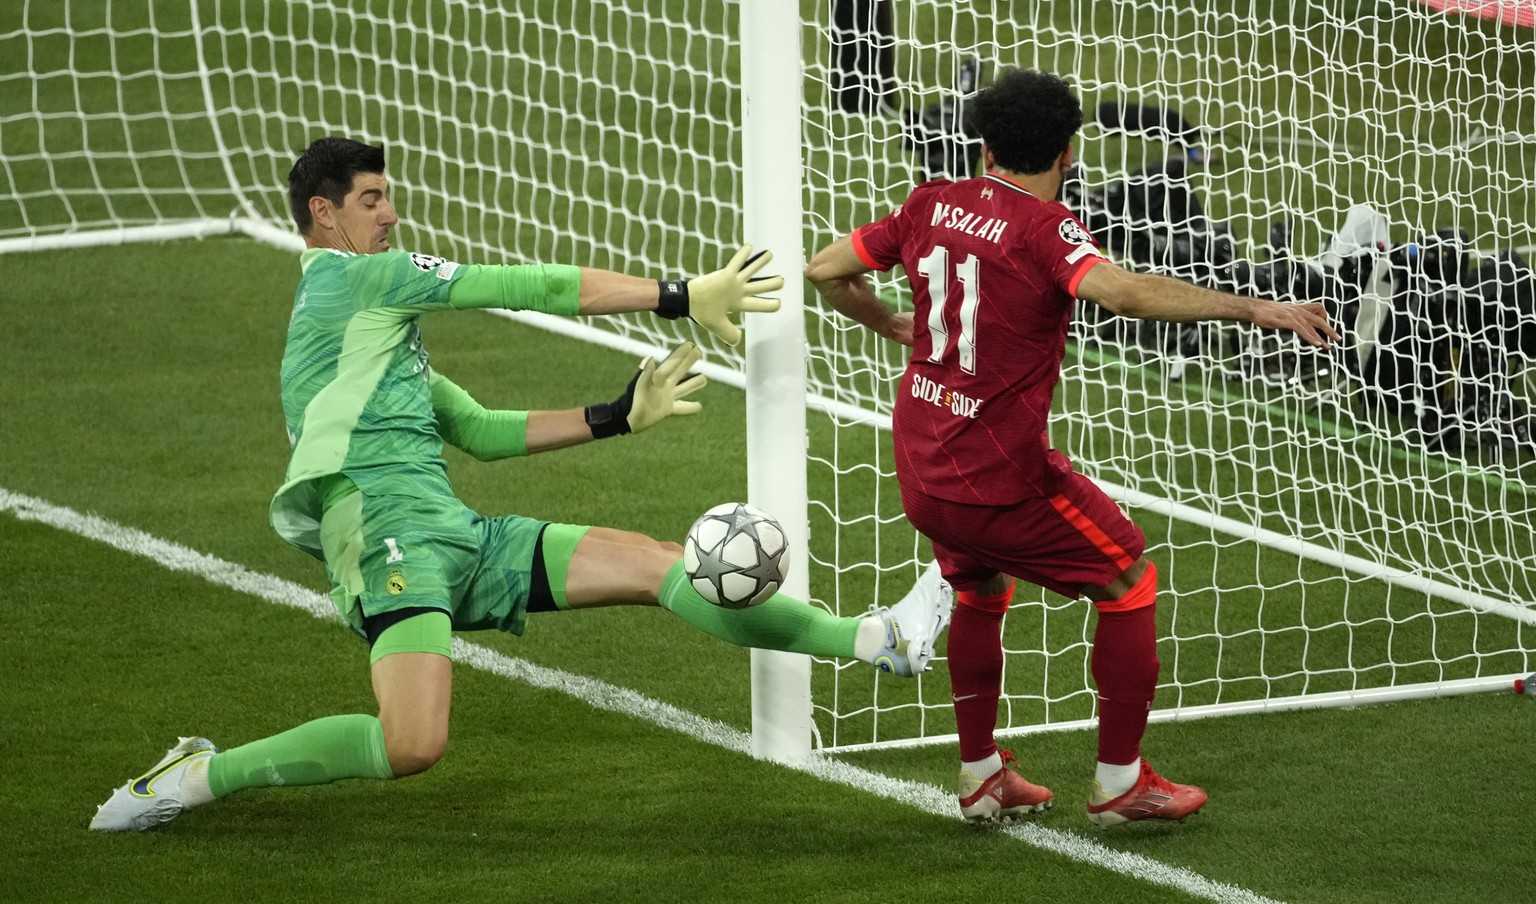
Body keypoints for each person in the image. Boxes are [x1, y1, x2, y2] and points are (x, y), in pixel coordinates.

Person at [90, 137, 952, 832]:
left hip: (457, 535)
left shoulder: (370, 348)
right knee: (411, 745)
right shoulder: (359, 281)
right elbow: (527, 285)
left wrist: (619, 413)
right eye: (370, 199)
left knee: (658, 564)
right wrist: (679, 293)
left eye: (390, 196)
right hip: (386, 537)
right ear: (322, 214)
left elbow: (478, 431)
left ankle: (874, 641)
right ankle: (202, 775)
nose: (390, 214)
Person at [805, 69, 1337, 826]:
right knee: (1129, 580)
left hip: (923, 466)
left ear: (984, 145)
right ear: (1070, 151)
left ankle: (983, 776)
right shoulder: (1046, 229)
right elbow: (1119, 293)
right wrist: (1252, 306)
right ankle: (1121, 784)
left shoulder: (930, 202)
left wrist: (890, 322)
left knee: (980, 590)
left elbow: (825, 270)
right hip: (1000, 477)